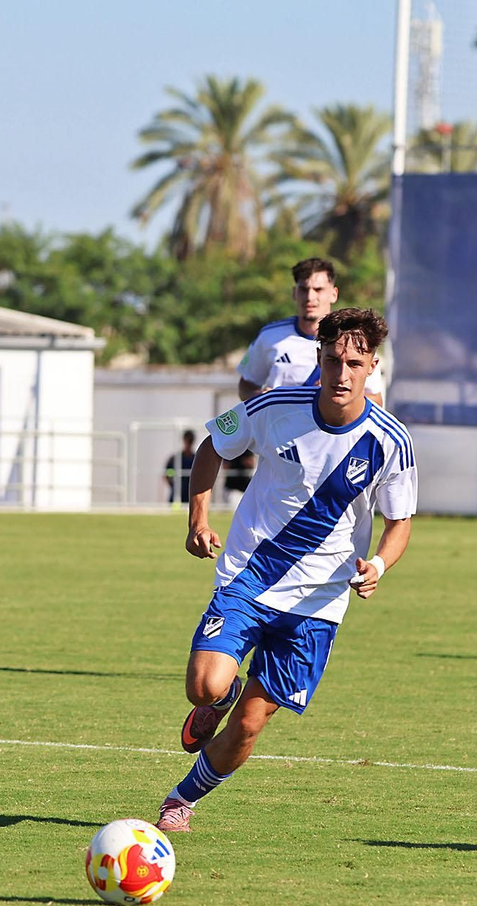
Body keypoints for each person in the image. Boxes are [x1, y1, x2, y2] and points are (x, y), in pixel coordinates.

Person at [157, 307, 417, 833]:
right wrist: (198, 519)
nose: (341, 374)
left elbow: (400, 522)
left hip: (318, 604)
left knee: (250, 726)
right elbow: (212, 446)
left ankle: (181, 801)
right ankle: (222, 694)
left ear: (373, 367)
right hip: (250, 574)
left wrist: (380, 566)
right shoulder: (273, 405)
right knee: (205, 687)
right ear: (318, 358)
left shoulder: (392, 441)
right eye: (332, 360)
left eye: (354, 363)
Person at [237, 257, 385, 407]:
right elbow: (246, 386)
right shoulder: (270, 336)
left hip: (330, 429)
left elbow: (376, 400)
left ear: (334, 294)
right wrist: (263, 397)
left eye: (318, 289)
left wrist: (337, 397)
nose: (310, 297)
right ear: (294, 293)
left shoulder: (356, 338)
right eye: (304, 289)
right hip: (282, 427)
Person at [164, 430, 195, 505]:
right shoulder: (175, 459)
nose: (188, 444)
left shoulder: (196, 458)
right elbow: (167, 473)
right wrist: (173, 485)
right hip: (177, 495)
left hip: (190, 495)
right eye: (187, 441)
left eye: (190, 441)